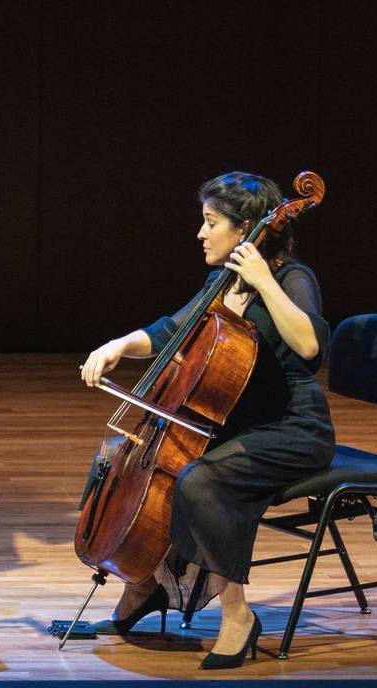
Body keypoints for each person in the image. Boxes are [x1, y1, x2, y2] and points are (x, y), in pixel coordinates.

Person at [79, 171, 334, 670]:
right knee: (120, 455)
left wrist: (263, 280)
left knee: (199, 481)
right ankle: (145, 587)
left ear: (245, 231)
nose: (200, 233)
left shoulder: (291, 279)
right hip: (237, 428)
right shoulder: (221, 284)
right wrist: (116, 347)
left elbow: (310, 347)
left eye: (211, 222)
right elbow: (169, 332)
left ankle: (237, 616)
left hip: (292, 430)